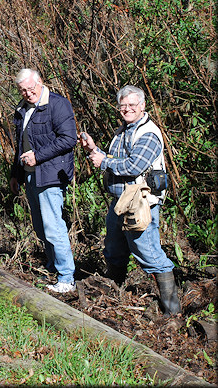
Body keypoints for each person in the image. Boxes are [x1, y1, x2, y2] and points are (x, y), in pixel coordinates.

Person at [80, 85, 181, 316]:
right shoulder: (123, 130)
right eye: (123, 106)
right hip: (119, 202)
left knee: (150, 254)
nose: (127, 109)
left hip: (140, 204)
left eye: (132, 105)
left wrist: (103, 162)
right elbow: (118, 159)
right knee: (114, 250)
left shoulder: (148, 133)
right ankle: (112, 297)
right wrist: (94, 149)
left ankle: (173, 313)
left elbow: (134, 165)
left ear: (143, 105)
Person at [9, 68, 77, 293]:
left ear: (40, 82)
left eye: (31, 88)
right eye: (23, 90)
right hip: (30, 174)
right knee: (40, 226)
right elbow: (21, 145)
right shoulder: (22, 109)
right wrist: (16, 174)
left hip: (51, 174)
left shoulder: (57, 104)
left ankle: (66, 277)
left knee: (52, 226)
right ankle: (53, 265)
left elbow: (68, 139)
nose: (28, 93)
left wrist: (38, 156)